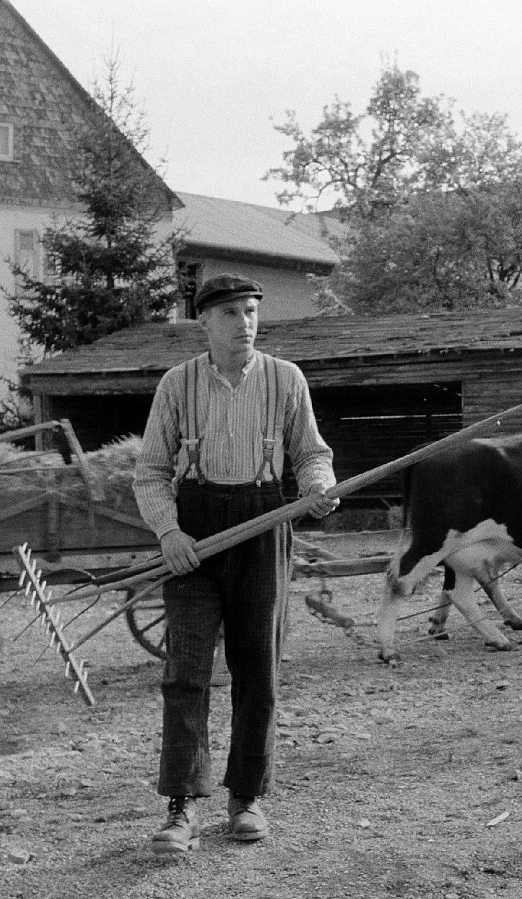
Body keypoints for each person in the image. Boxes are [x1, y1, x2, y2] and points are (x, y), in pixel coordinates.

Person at [132, 273, 338, 854]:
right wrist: (169, 532)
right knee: (186, 672)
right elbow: (150, 471)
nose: (244, 323)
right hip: (194, 532)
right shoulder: (178, 385)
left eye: (251, 311)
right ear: (204, 321)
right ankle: (182, 806)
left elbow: (310, 454)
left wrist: (321, 488)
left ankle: (245, 797)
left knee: (258, 670)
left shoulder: (286, 379)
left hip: (263, 521)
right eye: (230, 313)